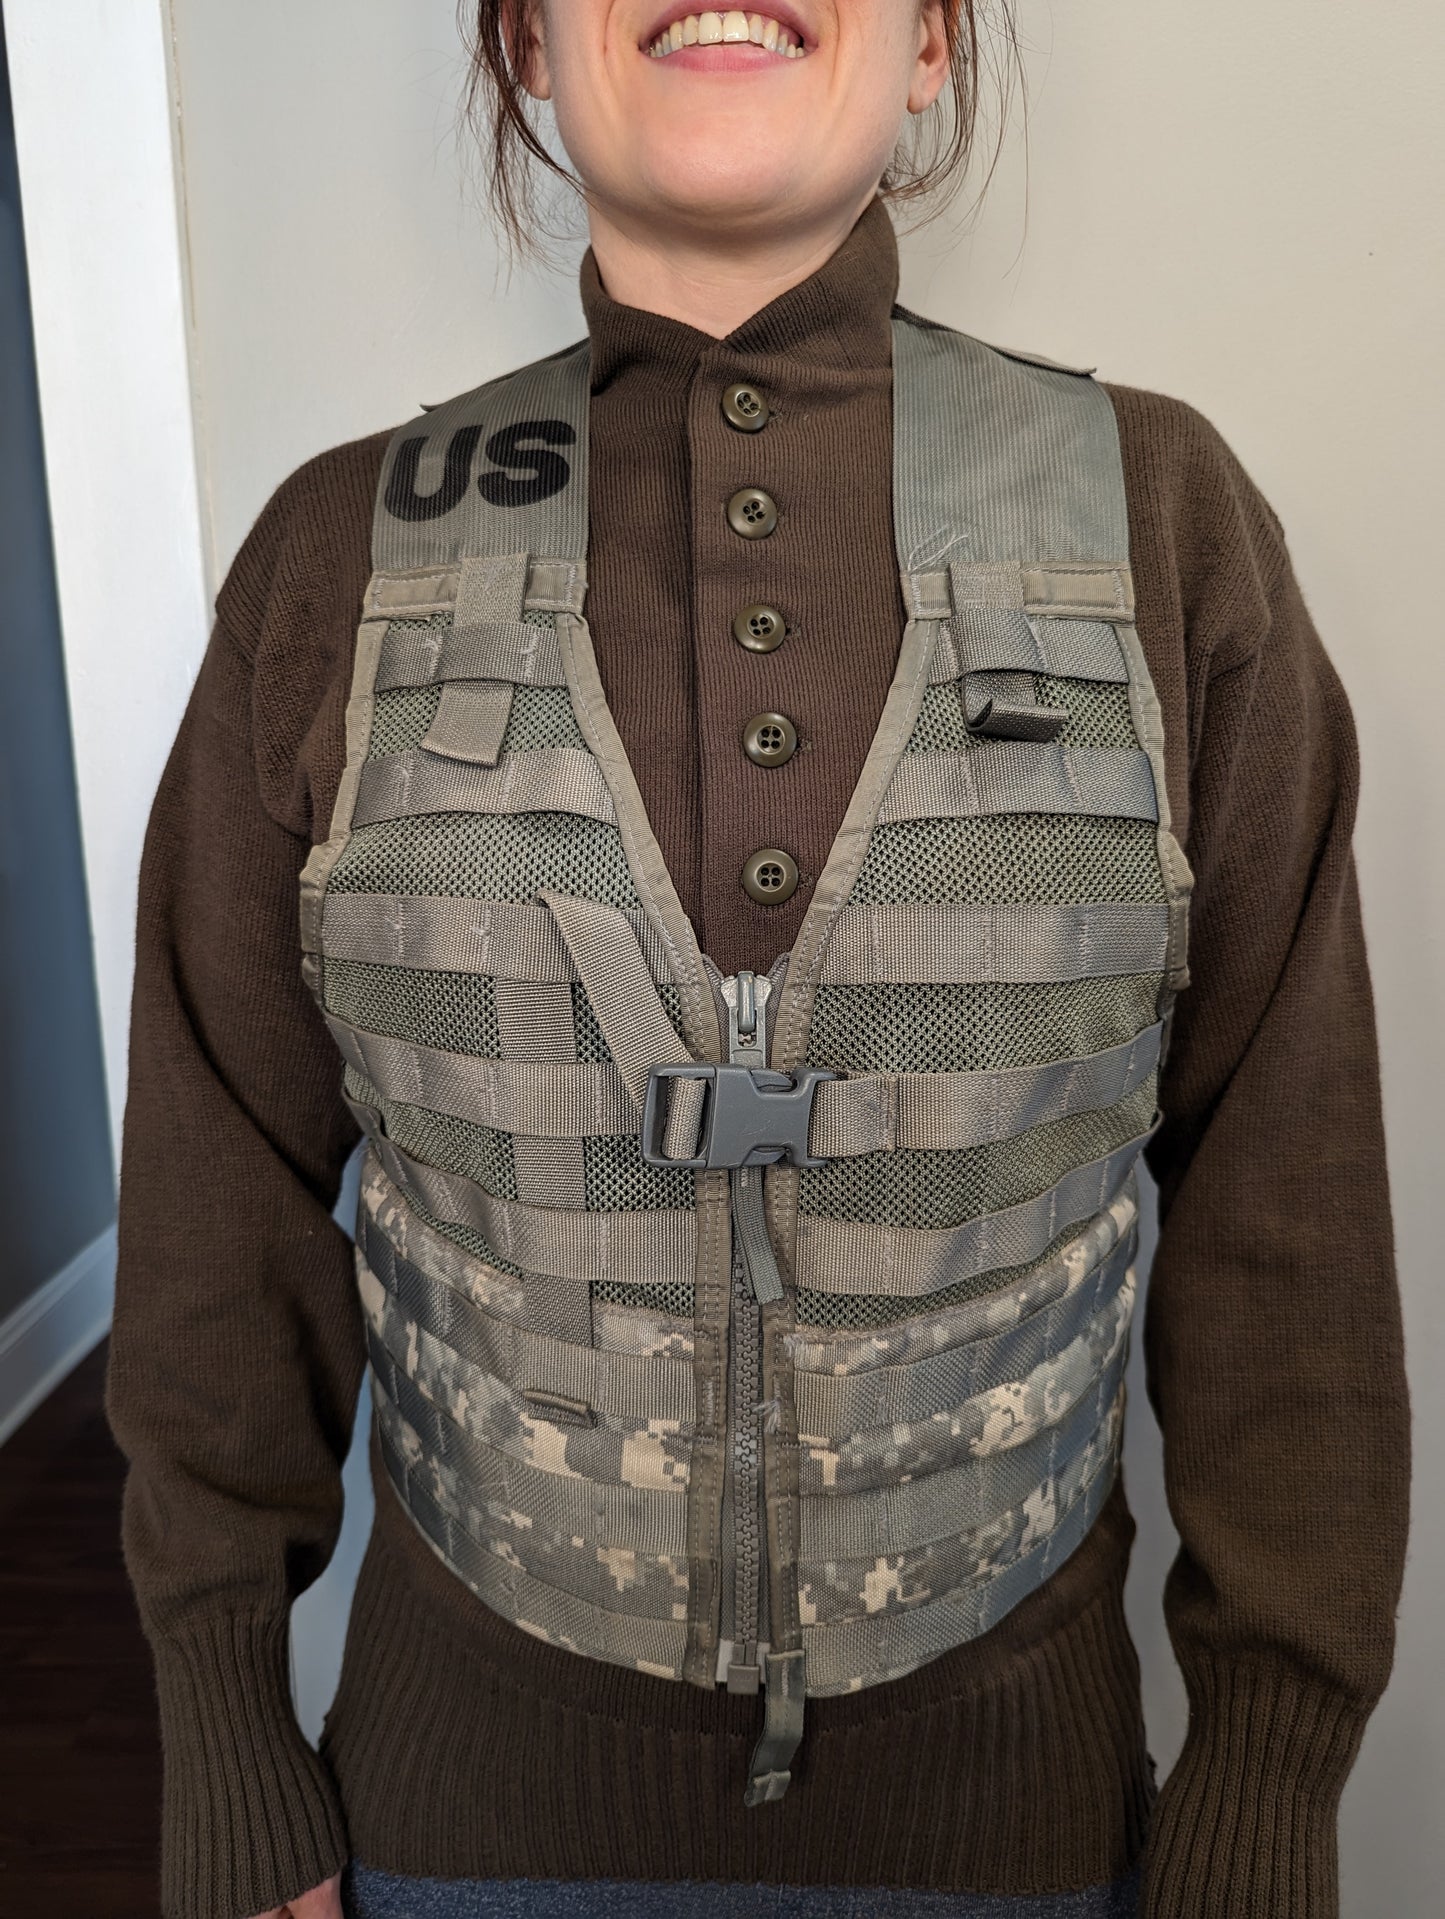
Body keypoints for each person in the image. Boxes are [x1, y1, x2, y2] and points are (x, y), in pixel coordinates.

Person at [105, 4, 1411, 1918]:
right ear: (526, 49)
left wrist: (1264, 1791)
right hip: (451, 1835)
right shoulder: (336, 564)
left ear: (934, 45)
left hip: (1023, 1843)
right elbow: (216, 1218)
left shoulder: (1159, 527)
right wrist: (223, 1755)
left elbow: (1285, 1228)